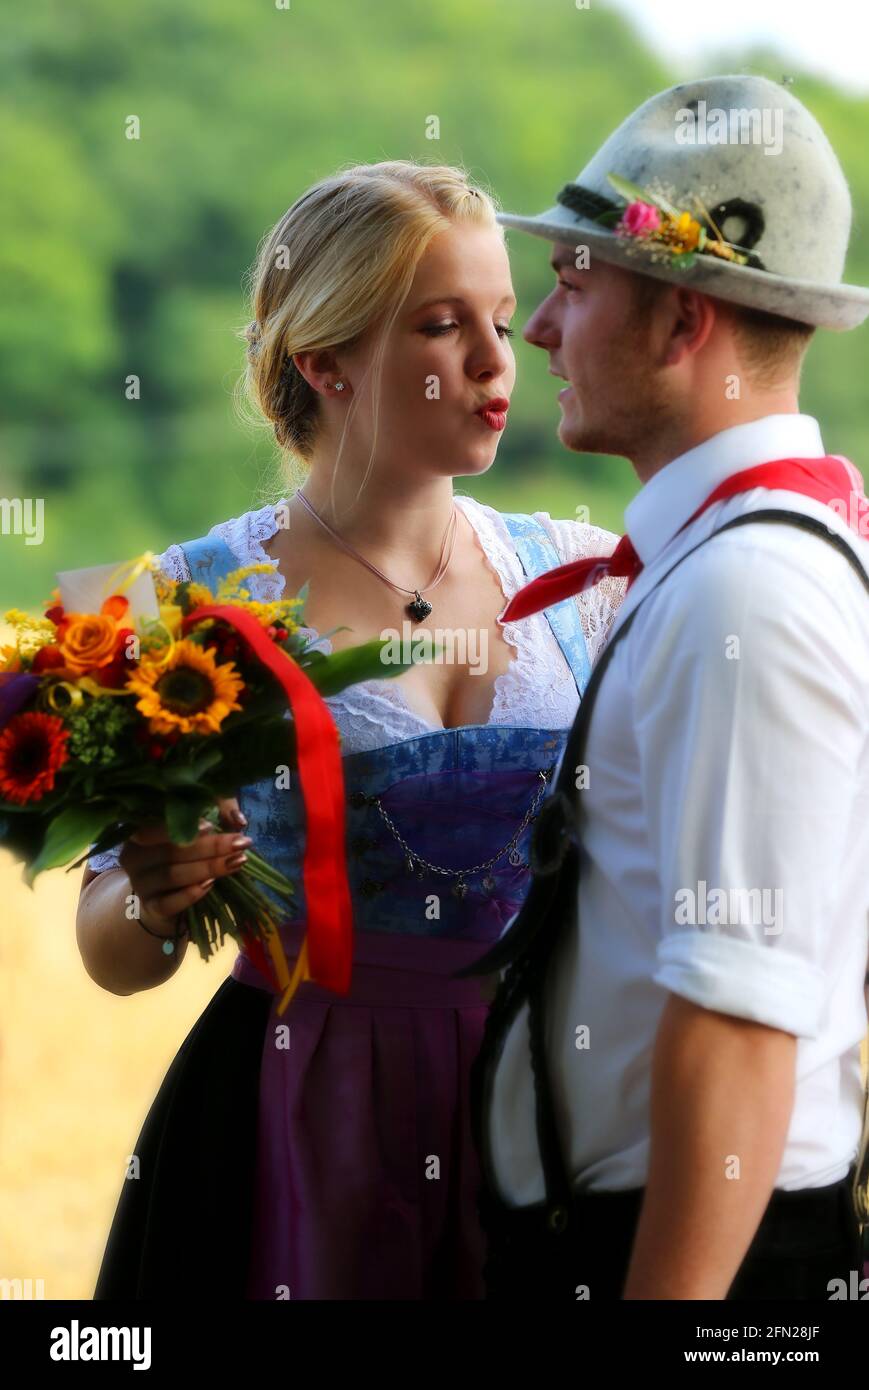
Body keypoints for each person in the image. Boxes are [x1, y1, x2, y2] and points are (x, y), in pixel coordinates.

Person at [76, 160, 626, 1300]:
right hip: (297, 1100)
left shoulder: (582, 579)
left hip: (542, 1103)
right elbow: (113, 949)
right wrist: (153, 888)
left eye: (502, 322)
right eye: (441, 326)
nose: (493, 361)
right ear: (322, 361)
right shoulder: (190, 599)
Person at [465, 73, 869, 1301]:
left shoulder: (743, 590)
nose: (535, 329)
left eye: (574, 289)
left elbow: (737, 1019)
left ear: (681, 324)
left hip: (704, 1262)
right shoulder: (739, 561)